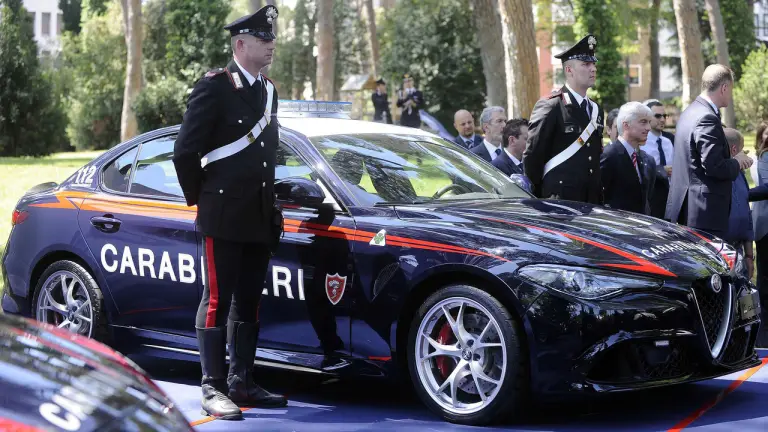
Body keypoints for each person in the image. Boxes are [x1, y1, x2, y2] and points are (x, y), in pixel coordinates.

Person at [172, 5, 287, 420]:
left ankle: (242, 381)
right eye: (263, 40)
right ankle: (212, 387)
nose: (271, 46)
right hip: (222, 213)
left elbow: (265, 157)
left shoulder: (269, 91)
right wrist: (202, 199)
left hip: (257, 215)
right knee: (217, 299)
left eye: (271, 39)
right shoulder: (215, 87)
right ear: (240, 44)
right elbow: (186, 150)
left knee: (249, 302)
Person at [665, 64, 753, 238]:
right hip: (703, 213)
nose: (731, 95)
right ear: (724, 88)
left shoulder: (690, 111)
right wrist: (737, 161)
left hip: (690, 208)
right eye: (731, 89)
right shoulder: (706, 117)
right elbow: (714, 166)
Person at [523, 34, 604, 204]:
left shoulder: (596, 109)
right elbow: (533, 157)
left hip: (591, 201)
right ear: (569, 70)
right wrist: (541, 196)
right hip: (560, 201)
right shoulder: (551, 106)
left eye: (593, 64)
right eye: (586, 64)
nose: (593, 69)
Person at [600, 102, 657, 215]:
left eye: (649, 122)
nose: (649, 128)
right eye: (643, 122)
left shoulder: (642, 158)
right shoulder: (610, 155)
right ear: (626, 125)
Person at [722, 128, 754, 279]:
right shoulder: (713, 178)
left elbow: (746, 214)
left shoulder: (740, 175)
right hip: (721, 251)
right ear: (734, 150)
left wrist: (749, 255)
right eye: (742, 151)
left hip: (739, 251)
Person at [640, 100, 674, 219]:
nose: (663, 120)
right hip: (650, 198)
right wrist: (660, 170)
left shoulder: (668, 142)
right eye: (658, 116)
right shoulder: (641, 141)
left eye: (664, 116)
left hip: (669, 198)